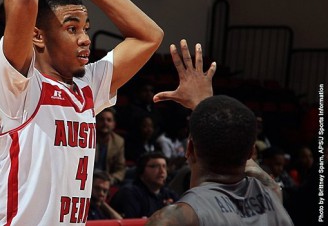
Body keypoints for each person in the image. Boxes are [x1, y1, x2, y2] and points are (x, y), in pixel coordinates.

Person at [0, 0, 164, 226]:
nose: (86, 39)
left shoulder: (87, 86)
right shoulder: (19, 86)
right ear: (37, 36)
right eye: (72, 28)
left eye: (86, 28)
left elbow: (150, 36)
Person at [146, 40, 293, 226]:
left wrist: (203, 106)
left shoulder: (175, 219)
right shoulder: (272, 194)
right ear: (250, 152)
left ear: (189, 148)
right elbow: (245, 156)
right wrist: (203, 105)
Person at [110, 151, 179, 218]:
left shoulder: (170, 194)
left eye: (164, 166)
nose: (162, 171)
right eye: (154, 166)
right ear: (141, 171)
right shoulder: (130, 193)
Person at [94, 107, 126, 185]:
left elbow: (121, 169)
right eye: (102, 119)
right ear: (95, 122)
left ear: (113, 124)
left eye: (109, 120)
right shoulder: (87, 138)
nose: (105, 123)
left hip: (107, 179)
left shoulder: (119, 142)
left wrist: (110, 179)